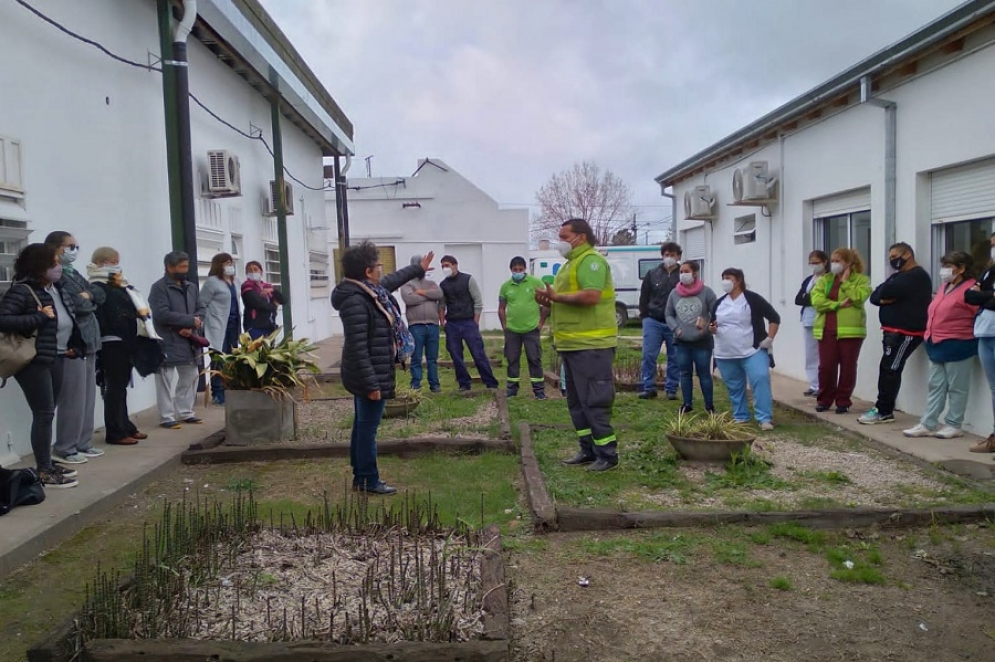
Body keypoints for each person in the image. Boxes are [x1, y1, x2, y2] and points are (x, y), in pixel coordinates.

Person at [332, 241, 434, 494]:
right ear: (368, 271)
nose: (381, 270)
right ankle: (368, 479)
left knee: (363, 425)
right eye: (378, 265)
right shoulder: (357, 301)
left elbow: (392, 280)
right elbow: (357, 347)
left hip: (373, 370)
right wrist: (371, 384)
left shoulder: (368, 291)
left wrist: (416, 268)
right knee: (368, 428)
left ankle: (361, 476)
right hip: (369, 374)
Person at [535, 218, 619, 471]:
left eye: (564, 236)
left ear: (580, 237)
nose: (560, 241)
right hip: (572, 345)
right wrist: (550, 301)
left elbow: (591, 296)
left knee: (594, 400)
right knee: (576, 402)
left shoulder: (591, 261)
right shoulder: (569, 265)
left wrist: (557, 297)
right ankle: (588, 449)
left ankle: (608, 454)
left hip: (592, 345)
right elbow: (565, 299)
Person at [0, 243, 85, 488]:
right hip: (33, 361)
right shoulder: (23, 291)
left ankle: (46, 464)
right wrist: (39, 316)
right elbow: (4, 320)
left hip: (56, 356)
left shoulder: (55, 289)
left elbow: (68, 318)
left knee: (49, 412)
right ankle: (44, 471)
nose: (59, 266)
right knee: (44, 413)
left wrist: (75, 346)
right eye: (54, 261)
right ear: (40, 265)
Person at [45, 232, 106, 464]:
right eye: (70, 246)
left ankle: (83, 442)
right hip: (73, 343)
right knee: (73, 398)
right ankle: (66, 447)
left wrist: (89, 294)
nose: (75, 250)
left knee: (88, 397)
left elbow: (99, 293)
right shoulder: (57, 275)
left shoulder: (74, 272)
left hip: (90, 341)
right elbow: (79, 305)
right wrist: (88, 298)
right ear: (57, 248)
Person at [904, 251, 979, 439]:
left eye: (949, 266)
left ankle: (954, 424)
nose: (944, 270)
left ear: (962, 268)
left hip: (959, 343)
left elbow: (978, 313)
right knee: (936, 385)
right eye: (944, 265)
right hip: (936, 342)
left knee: (957, 386)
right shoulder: (945, 286)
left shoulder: (971, 289)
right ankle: (928, 423)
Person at [859, 243, 933, 425]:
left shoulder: (917, 276)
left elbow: (886, 291)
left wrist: (886, 296)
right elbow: (876, 296)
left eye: (896, 256)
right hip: (892, 332)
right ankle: (881, 408)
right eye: (890, 257)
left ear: (908, 254)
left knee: (891, 368)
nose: (893, 261)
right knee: (886, 367)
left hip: (907, 332)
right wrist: (885, 297)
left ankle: (884, 410)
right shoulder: (899, 276)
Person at [89, 247, 154, 445]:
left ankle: (125, 425)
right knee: (114, 387)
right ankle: (115, 431)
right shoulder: (97, 286)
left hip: (126, 340)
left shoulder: (118, 284)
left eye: (117, 261)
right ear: (100, 263)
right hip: (111, 342)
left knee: (122, 386)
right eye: (112, 261)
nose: (117, 265)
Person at [709, 268, 780, 430]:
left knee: (760, 378)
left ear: (738, 280)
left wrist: (769, 338)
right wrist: (711, 328)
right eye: (723, 278)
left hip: (752, 350)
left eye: (728, 278)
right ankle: (740, 415)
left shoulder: (753, 300)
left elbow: (774, 318)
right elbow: (713, 323)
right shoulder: (719, 303)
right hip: (725, 352)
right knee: (735, 386)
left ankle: (764, 418)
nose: (725, 281)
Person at [149, 251, 206, 429]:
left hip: (189, 339)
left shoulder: (191, 287)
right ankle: (166, 416)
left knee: (191, 375)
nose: (185, 270)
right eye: (181, 267)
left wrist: (194, 324)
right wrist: (189, 320)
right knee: (165, 378)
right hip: (168, 339)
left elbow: (201, 308)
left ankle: (185, 411)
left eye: (186, 266)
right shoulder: (159, 288)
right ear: (169, 267)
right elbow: (162, 314)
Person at [810, 248, 871, 414]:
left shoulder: (861, 280)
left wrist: (846, 282)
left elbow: (858, 298)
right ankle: (824, 400)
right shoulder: (825, 279)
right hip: (827, 329)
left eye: (838, 261)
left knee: (848, 367)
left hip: (851, 331)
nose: (834, 264)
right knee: (826, 367)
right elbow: (816, 301)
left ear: (849, 263)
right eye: (833, 260)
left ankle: (843, 401)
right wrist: (836, 304)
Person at [438, 254, 499, 391]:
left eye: (447, 265)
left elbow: (478, 301)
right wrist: (443, 322)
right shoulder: (443, 285)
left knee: (478, 353)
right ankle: (464, 383)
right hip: (452, 323)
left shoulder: (468, 279)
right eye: (442, 266)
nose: (445, 268)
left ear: (455, 265)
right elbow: (441, 305)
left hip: (468, 322)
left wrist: (475, 321)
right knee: (456, 355)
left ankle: (490, 382)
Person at [665, 261, 716, 414]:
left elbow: (716, 313)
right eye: (681, 271)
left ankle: (709, 406)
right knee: (685, 373)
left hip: (702, 341)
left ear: (694, 273)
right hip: (682, 342)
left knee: (704, 374)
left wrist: (706, 326)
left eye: (686, 271)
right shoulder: (674, 294)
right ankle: (687, 404)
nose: (682, 274)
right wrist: (676, 329)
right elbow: (668, 314)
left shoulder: (707, 292)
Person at [498, 256, 548, 399]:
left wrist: (541, 323)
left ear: (525, 269)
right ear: (511, 270)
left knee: (534, 359)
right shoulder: (505, 286)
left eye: (520, 269)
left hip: (532, 329)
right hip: (512, 330)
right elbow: (501, 308)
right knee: (512, 360)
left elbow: (546, 303)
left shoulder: (535, 283)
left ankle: (539, 391)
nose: (518, 272)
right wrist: (504, 327)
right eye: (515, 270)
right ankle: (512, 390)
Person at [637, 242, 682, 400]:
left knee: (675, 356)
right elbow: (644, 296)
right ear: (662, 256)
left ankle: (671, 389)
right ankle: (649, 387)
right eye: (666, 254)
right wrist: (645, 316)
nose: (669, 258)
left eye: (673, 255)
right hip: (653, 320)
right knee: (649, 355)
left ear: (678, 256)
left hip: (674, 322)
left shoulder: (682, 276)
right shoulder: (652, 273)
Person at [965, 232, 995, 453]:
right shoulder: (989, 271)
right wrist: (989, 295)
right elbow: (970, 296)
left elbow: (980, 297)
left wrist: (983, 295)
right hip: (985, 331)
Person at [200, 253, 240, 406]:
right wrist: (202, 324)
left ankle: (229, 389)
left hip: (233, 325)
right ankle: (218, 392)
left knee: (231, 359)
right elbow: (202, 303)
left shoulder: (235, 281)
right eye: (226, 263)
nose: (230, 266)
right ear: (219, 265)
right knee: (218, 359)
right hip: (217, 325)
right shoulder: (212, 282)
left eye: (231, 263)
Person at [399, 255, 444, 393]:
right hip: (416, 326)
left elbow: (439, 294)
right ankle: (416, 385)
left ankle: (434, 385)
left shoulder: (431, 283)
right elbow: (409, 299)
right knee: (416, 357)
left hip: (433, 325)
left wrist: (421, 293)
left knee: (432, 358)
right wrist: (428, 296)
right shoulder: (407, 284)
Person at [795, 250, 828, 397]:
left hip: (823, 318)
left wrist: (809, 297)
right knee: (811, 354)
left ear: (824, 262)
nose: (814, 266)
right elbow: (798, 299)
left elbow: (821, 298)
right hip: (808, 319)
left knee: (823, 354)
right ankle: (814, 384)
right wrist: (809, 297)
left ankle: (823, 385)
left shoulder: (828, 278)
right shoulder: (809, 279)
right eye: (811, 263)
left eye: (816, 262)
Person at [241, 261, 283, 339]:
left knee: (269, 349)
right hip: (254, 327)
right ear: (247, 273)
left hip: (269, 326)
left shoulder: (266, 286)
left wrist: (272, 290)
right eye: (250, 270)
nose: (253, 272)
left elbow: (283, 300)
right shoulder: (246, 287)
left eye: (255, 269)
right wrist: (274, 305)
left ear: (261, 271)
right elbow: (259, 303)